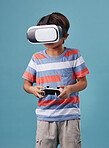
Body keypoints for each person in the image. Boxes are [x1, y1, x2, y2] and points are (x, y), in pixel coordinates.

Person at [22, 12, 89, 148]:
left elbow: (83, 82)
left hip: (70, 117)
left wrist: (70, 89)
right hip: (45, 118)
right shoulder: (36, 58)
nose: (47, 39)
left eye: (51, 34)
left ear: (64, 36)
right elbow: (26, 84)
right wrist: (32, 89)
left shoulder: (74, 55)